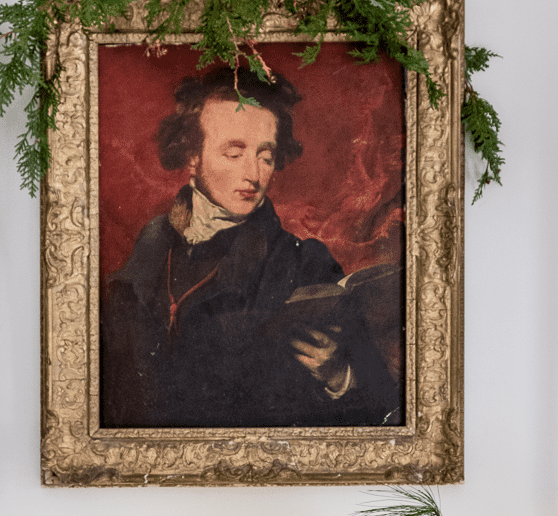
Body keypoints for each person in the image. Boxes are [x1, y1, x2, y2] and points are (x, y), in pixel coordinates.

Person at [100, 67, 400, 428]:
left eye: (266, 156)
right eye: (234, 153)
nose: (254, 175)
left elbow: (380, 407)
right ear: (193, 156)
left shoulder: (304, 262)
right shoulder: (152, 245)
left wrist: (339, 376)